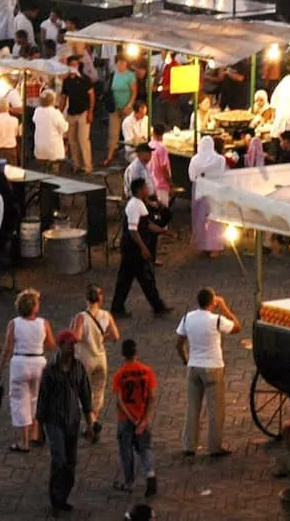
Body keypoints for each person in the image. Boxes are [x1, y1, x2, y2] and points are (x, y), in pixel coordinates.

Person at [175, 286, 241, 458]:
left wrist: (186, 359)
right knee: (216, 410)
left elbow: (179, 343)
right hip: (213, 367)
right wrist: (225, 308)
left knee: (192, 408)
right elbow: (237, 327)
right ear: (213, 302)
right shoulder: (217, 320)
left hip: (194, 367)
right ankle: (214, 447)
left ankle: (189, 445)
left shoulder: (187, 318)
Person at [37, 330, 94, 517]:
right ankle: (55, 498)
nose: (73, 348)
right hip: (54, 420)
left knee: (71, 463)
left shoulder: (78, 368)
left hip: (72, 421)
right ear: (61, 345)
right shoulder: (50, 370)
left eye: (74, 344)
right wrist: (40, 427)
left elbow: (85, 395)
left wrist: (90, 423)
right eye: (70, 344)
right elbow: (43, 399)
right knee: (59, 459)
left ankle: (63, 498)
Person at [3, 288, 55, 450]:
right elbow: (52, 345)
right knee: (37, 399)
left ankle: (23, 441)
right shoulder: (44, 323)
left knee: (20, 401)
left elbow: (8, 348)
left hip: (19, 363)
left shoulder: (14, 324)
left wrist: (0, 369)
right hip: (39, 363)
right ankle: (35, 434)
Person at [70, 284, 122, 435]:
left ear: (86, 298)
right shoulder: (106, 315)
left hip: (85, 359)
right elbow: (116, 336)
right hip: (101, 358)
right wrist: (101, 337)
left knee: (84, 391)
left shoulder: (82, 317)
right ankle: (92, 423)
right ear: (100, 298)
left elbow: (77, 337)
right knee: (98, 391)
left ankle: (91, 422)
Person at [112, 179, 167, 318]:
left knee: (131, 278)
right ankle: (157, 306)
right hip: (133, 249)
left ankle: (156, 306)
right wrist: (143, 248)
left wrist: (162, 230)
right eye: (145, 188)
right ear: (139, 190)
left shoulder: (140, 204)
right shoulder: (134, 206)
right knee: (142, 277)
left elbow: (146, 224)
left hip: (134, 249)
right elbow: (133, 230)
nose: (147, 190)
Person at [111, 337, 158, 498]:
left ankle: (129, 481)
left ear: (123, 354)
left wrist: (132, 419)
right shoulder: (147, 371)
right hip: (142, 416)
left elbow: (120, 400)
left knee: (126, 450)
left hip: (126, 419)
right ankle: (150, 474)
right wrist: (144, 420)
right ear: (136, 353)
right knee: (145, 447)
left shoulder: (119, 374)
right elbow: (152, 397)